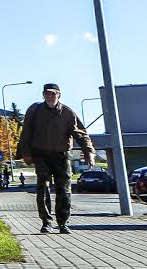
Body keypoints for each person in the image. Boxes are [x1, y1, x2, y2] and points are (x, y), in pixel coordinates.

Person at [15, 83, 95, 234]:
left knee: (64, 189)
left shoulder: (67, 113)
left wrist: (89, 151)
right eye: (47, 94)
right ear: (43, 95)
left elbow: (81, 133)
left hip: (62, 155)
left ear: (59, 95)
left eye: (53, 94)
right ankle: (46, 222)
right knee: (43, 187)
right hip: (41, 154)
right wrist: (25, 153)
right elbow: (26, 133)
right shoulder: (35, 110)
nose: (50, 96)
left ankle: (63, 223)